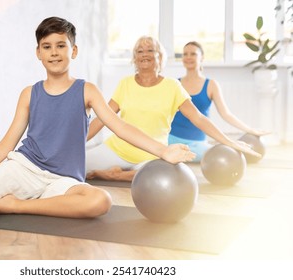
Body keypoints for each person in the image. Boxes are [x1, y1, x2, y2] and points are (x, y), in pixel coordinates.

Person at [0, 17, 196, 219]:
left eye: (60, 45)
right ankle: (16, 200)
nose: (54, 52)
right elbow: (5, 145)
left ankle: (16, 206)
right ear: (39, 53)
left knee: (100, 201)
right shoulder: (29, 94)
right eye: (47, 47)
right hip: (24, 168)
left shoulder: (86, 90)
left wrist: (164, 151)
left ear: (74, 51)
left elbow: (120, 126)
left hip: (63, 180)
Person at [86, 36, 260, 182]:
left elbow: (198, 118)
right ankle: (121, 173)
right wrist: (77, 142)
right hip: (117, 149)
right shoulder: (125, 83)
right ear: (134, 58)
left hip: (152, 154)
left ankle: (115, 175)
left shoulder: (173, 86)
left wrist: (228, 142)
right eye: (140, 51)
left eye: (150, 50)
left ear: (160, 57)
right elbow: (102, 117)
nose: (144, 54)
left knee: (163, 176)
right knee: (73, 163)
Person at [168, 41, 269, 162]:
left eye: (193, 54)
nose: (188, 57)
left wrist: (250, 130)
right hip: (171, 140)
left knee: (221, 157)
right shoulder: (175, 84)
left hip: (196, 144)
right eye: (185, 54)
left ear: (202, 58)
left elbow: (226, 114)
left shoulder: (211, 85)